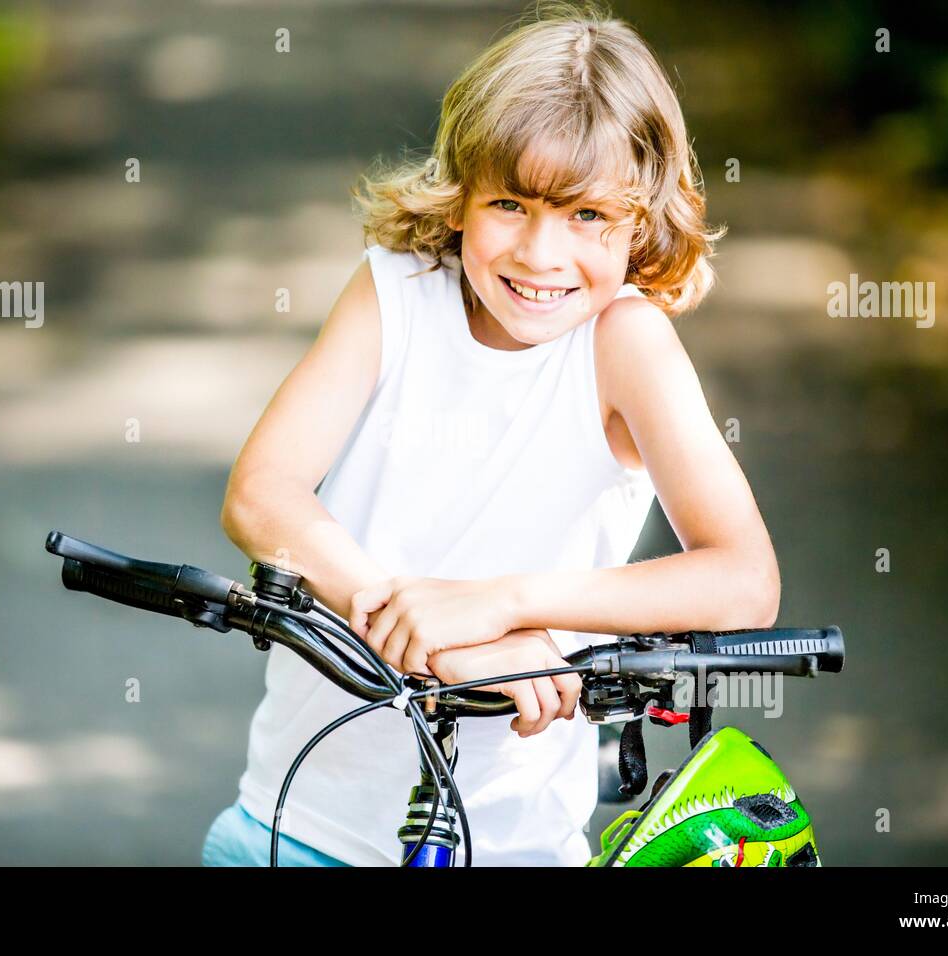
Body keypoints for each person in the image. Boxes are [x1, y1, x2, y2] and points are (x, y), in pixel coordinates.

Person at [202, 0, 779, 868]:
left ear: (640, 224)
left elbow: (743, 579)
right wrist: (431, 638)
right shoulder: (396, 292)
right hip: (291, 825)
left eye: (587, 216)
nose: (541, 255)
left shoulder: (625, 344)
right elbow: (262, 493)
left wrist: (506, 610)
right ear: (462, 198)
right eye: (510, 203)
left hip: (505, 844)